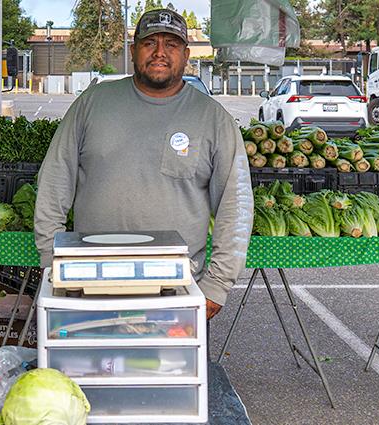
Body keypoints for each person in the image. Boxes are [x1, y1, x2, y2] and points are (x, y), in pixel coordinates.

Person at [33, 8, 253, 319]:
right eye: (150, 43)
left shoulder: (213, 119)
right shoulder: (93, 103)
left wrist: (217, 284)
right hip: (92, 282)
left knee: (170, 367)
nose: (160, 52)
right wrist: (50, 260)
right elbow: (55, 181)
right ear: (134, 50)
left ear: (186, 54)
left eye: (172, 44)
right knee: (93, 364)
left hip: (176, 285)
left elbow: (236, 205)